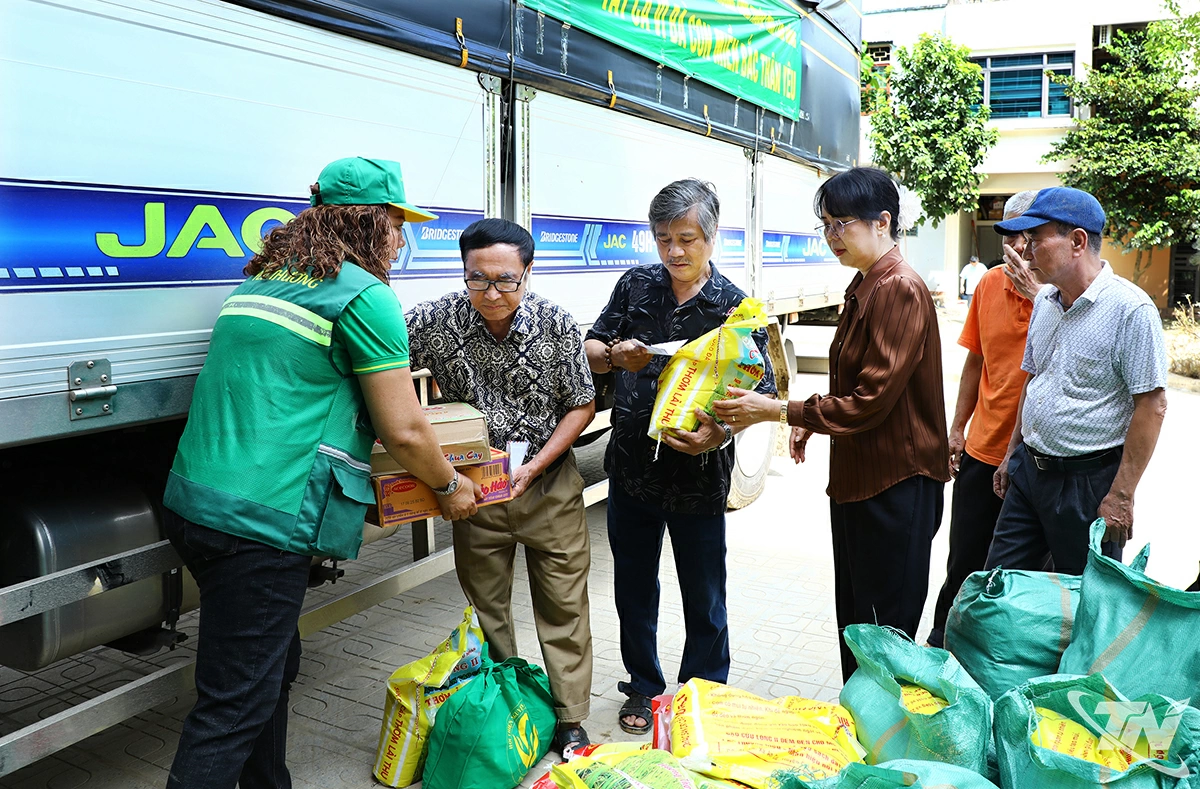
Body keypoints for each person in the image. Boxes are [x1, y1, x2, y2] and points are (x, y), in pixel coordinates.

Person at [161, 157, 479, 789]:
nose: (401, 239)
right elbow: (406, 429)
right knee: (233, 705)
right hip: (263, 520)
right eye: (396, 223)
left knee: (271, 668)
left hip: (195, 503)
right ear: (371, 222)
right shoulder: (364, 295)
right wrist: (450, 486)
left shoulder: (262, 283)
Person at [714, 167, 949, 682]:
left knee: (884, 632)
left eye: (841, 224)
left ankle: (886, 745)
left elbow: (869, 402)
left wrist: (778, 411)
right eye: (826, 225)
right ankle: (861, 728)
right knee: (856, 622)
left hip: (897, 484)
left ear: (882, 222)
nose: (831, 237)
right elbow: (854, 382)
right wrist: (812, 421)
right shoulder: (865, 283)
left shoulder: (900, 289)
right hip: (860, 482)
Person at [582, 179, 776, 734]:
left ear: (712, 238)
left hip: (696, 474)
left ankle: (701, 694)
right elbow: (592, 346)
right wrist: (612, 355)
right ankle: (643, 686)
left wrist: (717, 434)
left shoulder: (735, 307)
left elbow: (751, 392)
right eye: (663, 238)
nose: (673, 251)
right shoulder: (635, 285)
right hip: (632, 470)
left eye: (686, 238)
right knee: (633, 588)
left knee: (704, 592)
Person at [404, 218, 597, 756]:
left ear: (528, 272)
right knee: (487, 612)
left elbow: (582, 403)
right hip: (472, 492)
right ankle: (506, 711)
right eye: (478, 280)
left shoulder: (556, 324)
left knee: (563, 606)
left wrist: (534, 467)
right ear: (463, 273)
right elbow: (385, 370)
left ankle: (569, 718)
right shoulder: (433, 319)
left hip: (548, 488)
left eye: (506, 280)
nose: (492, 293)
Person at [986, 187, 1168, 574]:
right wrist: (1011, 454)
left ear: (1077, 241)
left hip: (1088, 484)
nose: (1026, 251)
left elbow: (1151, 407)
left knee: (1085, 602)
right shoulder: (1046, 302)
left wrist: (1121, 494)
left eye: (1035, 239)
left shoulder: (1130, 310)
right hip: (1029, 472)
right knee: (999, 589)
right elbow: (1033, 380)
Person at [925, 190, 1040, 649]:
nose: (1019, 250)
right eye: (1011, 237)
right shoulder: (990, 284)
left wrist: (1041, 298)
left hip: (1033, 461)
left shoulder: (1065, 297)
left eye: (1030, 238)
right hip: (982, 451)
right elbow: (976, 362)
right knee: (963, 565)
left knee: (1020, 577)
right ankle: (940, 649)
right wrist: (957, 428)